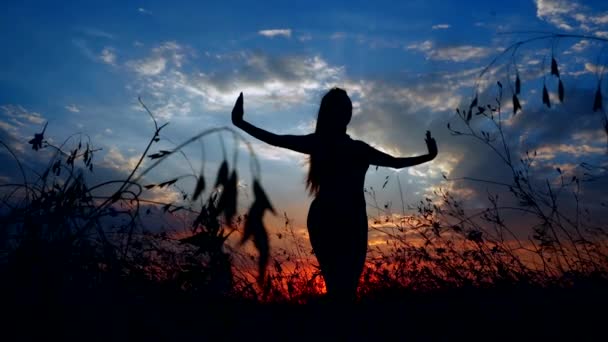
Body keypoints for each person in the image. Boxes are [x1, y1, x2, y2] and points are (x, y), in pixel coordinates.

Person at [231, 87, 438, 302]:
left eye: (347, 108)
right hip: (342, 218)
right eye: (343, 108)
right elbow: (396, 163)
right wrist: (429, 157)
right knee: (344, 288)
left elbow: (275, 139)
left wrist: (429, 156)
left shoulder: (332, 145)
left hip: (337, 217)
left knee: (340, 287)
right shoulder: (348, 147)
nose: (346, 113)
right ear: (341, 114)